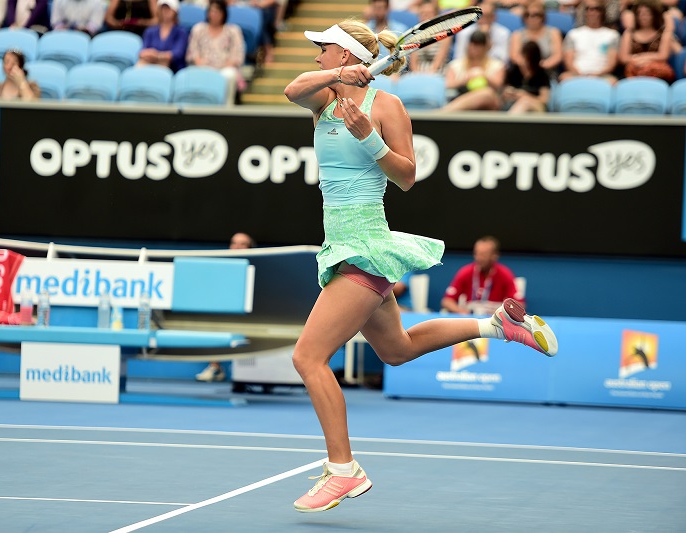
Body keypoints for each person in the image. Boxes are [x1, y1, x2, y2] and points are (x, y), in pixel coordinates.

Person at [283, 21, 557, 513]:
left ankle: (343, 471)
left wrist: (368, 138)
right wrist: (342, 76)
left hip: (364, 246)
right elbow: (291, 88)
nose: (317, 56)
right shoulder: (323, 98)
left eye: (323, 49)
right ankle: (498, 325)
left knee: (308, 357)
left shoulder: (386, 105)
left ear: (343, 52)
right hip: (340, 243)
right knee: (397, 349)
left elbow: (407, 177)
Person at [195, 231, 256, 382]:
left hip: (253, 313)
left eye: (242, 244)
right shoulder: (222, 267)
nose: (237, 247)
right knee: (212, 321)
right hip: (228, 312)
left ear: (250, 248)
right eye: (234, 243)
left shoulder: (257, 268)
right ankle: (215, 368)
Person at [440, 236, 524, 315]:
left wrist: (502, 314)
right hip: (470, 319)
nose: (479, 258)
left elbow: (519, 304)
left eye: (483, 255)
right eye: (477, 253)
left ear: (494, 256)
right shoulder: (466, 272)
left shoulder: (505, 274)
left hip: (494, 320)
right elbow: (447, 301)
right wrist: (462, 312)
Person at [185, 0, 245, 105]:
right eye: (212, 11)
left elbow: (237, 56)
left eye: (217, 11)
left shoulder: (233, 31)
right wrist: (200, 62)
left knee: (229, 74)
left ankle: (227, 107)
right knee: (192, 72)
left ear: (223, 13)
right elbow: (192, 52)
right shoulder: (198, 29)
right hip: (202, 67)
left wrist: (220, 66)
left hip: (224, 68)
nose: (214, 14)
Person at [442, 30, 505, 111]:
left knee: (487, 93)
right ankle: (446, 111)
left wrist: (484, 76)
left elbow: (499, 85)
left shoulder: (497, 65)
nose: (475, 48)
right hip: (460, 98)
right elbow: (447, 84)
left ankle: (443, 112)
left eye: (479, 45)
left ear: (486, 47)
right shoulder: (455, 65)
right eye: (473, 44)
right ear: (468, 45)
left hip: (488, 105)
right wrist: (465, 80)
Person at [560, 0, 620, 83]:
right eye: (589, 9)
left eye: (596, 9)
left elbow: (611, 63)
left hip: (602, 75)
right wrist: (579, 74)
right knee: (564, 78)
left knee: (612, 81)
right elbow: (568, 61)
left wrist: (596, 75)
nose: (593, 12)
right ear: (585, 12)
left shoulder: (612, 35)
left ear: (602, 12)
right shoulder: (573, 34)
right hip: (576, 74)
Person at [618, 0, 675, 81]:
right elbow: (623, 58)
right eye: (640, 13)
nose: (643, 16)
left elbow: (663, 55)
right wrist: (638, 61)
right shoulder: (629, 33)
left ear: (655, 14)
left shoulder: (664, 34)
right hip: (634, 69)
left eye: (647, 13)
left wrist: (643, 59)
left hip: (657, 72)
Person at [508, 0, 564, 80]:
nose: (530, 18)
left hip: (548, 74)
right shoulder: (517, 35)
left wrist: (539, 67)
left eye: (535, 15)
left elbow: (557, 56)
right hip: (523, 74)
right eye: (527, 15)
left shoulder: (554, 33)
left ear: (542, 17)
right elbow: (515, 56)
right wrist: (529, 68)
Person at [137, 0, 189, 72]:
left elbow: (178, 54)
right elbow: (142, 51)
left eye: (168, 8)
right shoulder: (150, 31)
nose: (165, 11)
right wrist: (151, 55)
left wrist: (158, 55)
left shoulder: (181, 32)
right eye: (163, 8)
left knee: (163, 63)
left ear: (175, 11)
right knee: (141, 64)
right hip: (151, 63)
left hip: (173, 68)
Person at [503, 40, 551, 113]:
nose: (523, 61)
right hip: (513, 104)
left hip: (536, 107)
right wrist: (510, 93)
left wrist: (525, 95)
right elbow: (505, 91)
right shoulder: (514, 71)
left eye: (526, 58)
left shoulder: (542, 74)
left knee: (525, 102)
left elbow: (544, 100)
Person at [408, 1, 451, 74]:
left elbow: (438, 63)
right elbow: (413, 64)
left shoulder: (445, 35)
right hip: (417, 75)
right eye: (422, 14)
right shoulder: (414, 36)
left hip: (438, 74)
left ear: (436, 15)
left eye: (429, 14)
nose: (425, 17)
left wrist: (428, 78)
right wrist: (417, 76)